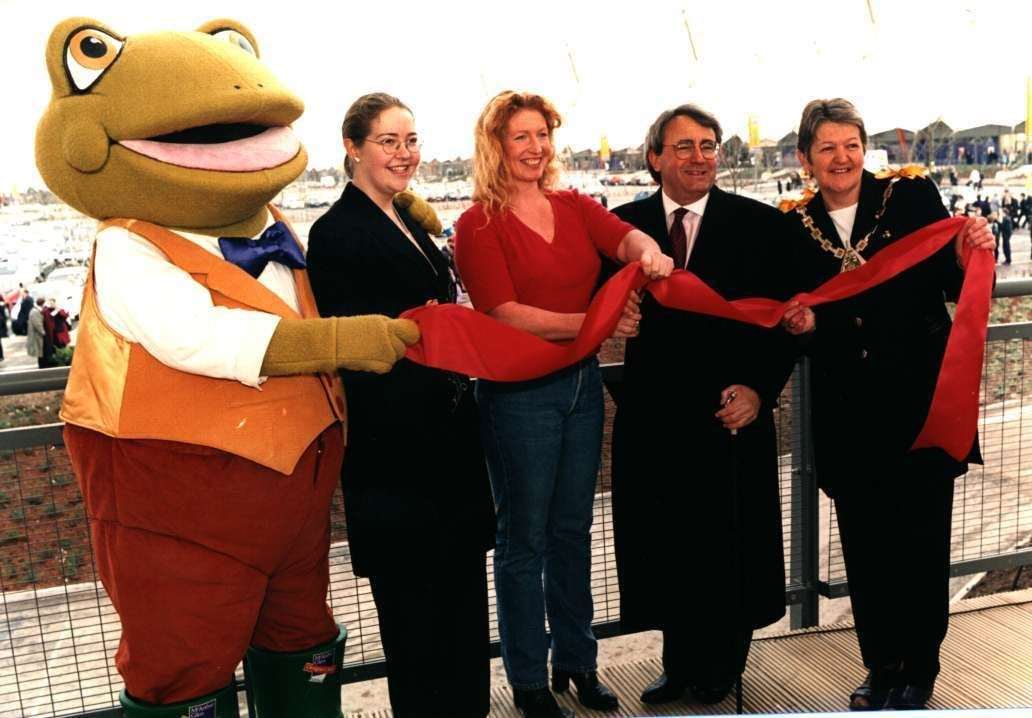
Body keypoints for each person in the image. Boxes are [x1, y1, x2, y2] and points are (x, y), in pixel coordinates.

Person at [455, 90, 673, 718]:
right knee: (523, 540)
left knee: (573, 532)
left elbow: (625, 237)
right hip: (518, 394)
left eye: (542, 134)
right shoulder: (478, 223)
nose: (535, 147)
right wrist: (596, 325)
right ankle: (527, 678)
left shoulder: (574, 206)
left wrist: (646, 253)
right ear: (496, 146)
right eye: (520, 136)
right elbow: (504, 314)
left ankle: (577, 663)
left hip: (580, 388)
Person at [780, 98, 995, 711]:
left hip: (920, 401)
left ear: (863, 148)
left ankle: (919, 666)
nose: (841, 157)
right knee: (866, 545)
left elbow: (951, 286)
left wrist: (966, 249)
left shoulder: (910, 197)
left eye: (851, 144)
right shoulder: (793, 226)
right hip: (848, 410)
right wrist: (800, 326)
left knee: (920, 541)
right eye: (827, 148)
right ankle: (880, 665)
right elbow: (802, 317)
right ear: (805, 158)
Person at [307, 93, 496, 718]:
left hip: (448, 451)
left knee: (464, 616)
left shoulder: (411, 222)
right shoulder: (334, 233)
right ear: (352, 147)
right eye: (389, 141)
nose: (404, 154)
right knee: (417, 628)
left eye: (411, 140)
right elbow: (358, 350)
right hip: (399, 462)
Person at [608, 104, 795, 706]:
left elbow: (785, 322)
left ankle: (723, 666)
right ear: (655, 157)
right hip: (657, 416)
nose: (699, 158)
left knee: (729, 547)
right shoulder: (622, 227)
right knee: (668, 545)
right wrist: (618, 318)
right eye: (683, 147)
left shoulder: (760, 225)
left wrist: (761, 390)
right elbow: (594, 308)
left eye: (709, 146)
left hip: (729, 411)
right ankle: (680, 663)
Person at [27, 297, 47, 368]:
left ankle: (41, 365)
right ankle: (41, 366)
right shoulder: (35, 311)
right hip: (36, 335)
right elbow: (37, 324)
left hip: (36, 334)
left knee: (39, 351)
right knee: (39, 351)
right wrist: (43, 332)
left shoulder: (35, 310)